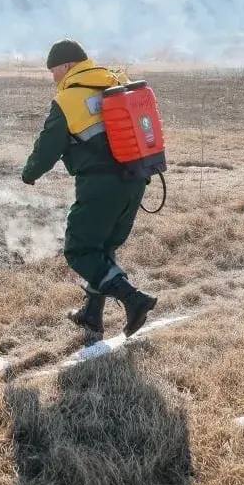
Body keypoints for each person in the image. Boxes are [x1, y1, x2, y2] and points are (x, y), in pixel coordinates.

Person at [20, 39, 157, 343]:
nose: (53, 77)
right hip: (136, 178)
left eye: (54, 71)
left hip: (101, 186)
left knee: (79, 250)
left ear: (67, 65)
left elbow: (48, 148)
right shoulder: (115, 80)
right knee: (102, 249)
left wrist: (29, 173)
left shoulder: (68, 99)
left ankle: (134, 299)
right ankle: (92, 316)